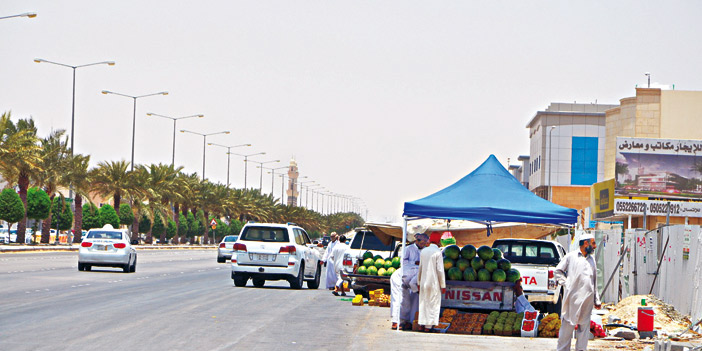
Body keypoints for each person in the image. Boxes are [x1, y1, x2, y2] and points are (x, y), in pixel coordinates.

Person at [555, 233, 601, 351]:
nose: (595, 246)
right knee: (567, 326)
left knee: (584, 328)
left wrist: (597, 299)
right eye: (593, 243)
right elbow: (558, 271)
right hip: (573, 298)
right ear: (586, 243)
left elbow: (594, 280)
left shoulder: (592, 260)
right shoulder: (571, 256)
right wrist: (566, 283)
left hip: (588, 299)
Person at [399, 233, 428, 330]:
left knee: (416, 302)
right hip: (407, 277)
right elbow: (403, 261)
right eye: (421, 243)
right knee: (405, 302)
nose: (422, 245)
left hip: (418, 278)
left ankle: (412, 322)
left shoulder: (425, 250)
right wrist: (414, 262)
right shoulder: (408, 249)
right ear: (417, 241)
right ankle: (403, 321)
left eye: (424, 243)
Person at [417, 240, 446, 331]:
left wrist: (418, 282)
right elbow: (440, 270)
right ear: (438, 242)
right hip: (433, 283)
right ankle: (428, 327)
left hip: (423, 281)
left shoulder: (423, 251)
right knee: (432, 304)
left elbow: (420, 267)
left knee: (423, 303)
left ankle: (421, 324)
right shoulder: (438, 252)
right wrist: (443, 285)